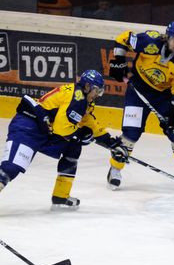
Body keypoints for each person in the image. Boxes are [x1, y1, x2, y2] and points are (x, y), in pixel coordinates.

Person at [0, 70, 128, 209]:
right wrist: (80, 134)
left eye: (100, 91)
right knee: (12, 167)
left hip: (46, 130)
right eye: (96, 90)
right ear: (87, 86)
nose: (98, 94)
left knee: (72, 146)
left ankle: (60, 196)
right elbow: (62, 129)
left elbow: (87, 121)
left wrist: (109, 142)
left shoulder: (83, 98)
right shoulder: (77, 98)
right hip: (28, 127)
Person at [107, 21, 174, 189]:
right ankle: (115, 169)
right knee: (130, 135)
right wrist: (119, 59)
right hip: (137, 91)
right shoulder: (149, 41)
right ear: (167, 37)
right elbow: (123, 38)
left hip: (164, 96)